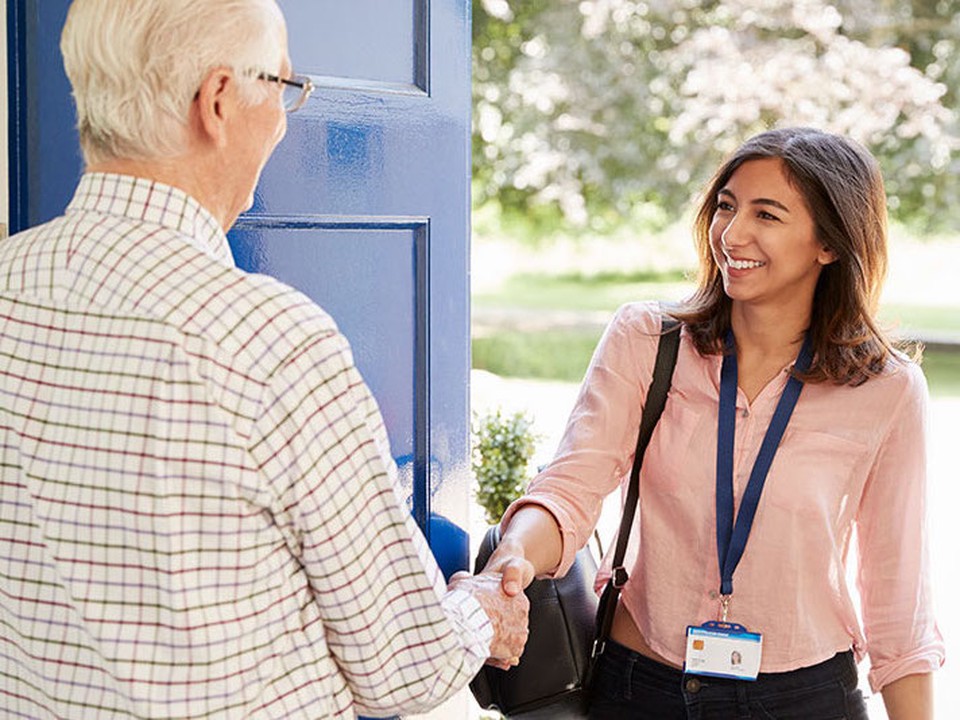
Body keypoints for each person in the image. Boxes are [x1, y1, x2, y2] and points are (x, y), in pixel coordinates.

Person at [0, 1, 528, 718]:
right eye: (283, 88)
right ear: (218, 101)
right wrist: (476, 613)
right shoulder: (271, 343)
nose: (284, 118)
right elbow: (407, 669)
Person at [483, 127, 944, 719]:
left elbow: (897, 597)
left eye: (767, 214)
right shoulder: (647, 341)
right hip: (640, 684)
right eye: (726, 206)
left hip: (805, 698)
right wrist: (513, 557)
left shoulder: (886, 389)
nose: (732, 233)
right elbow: (570, 488)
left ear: (829, 243)